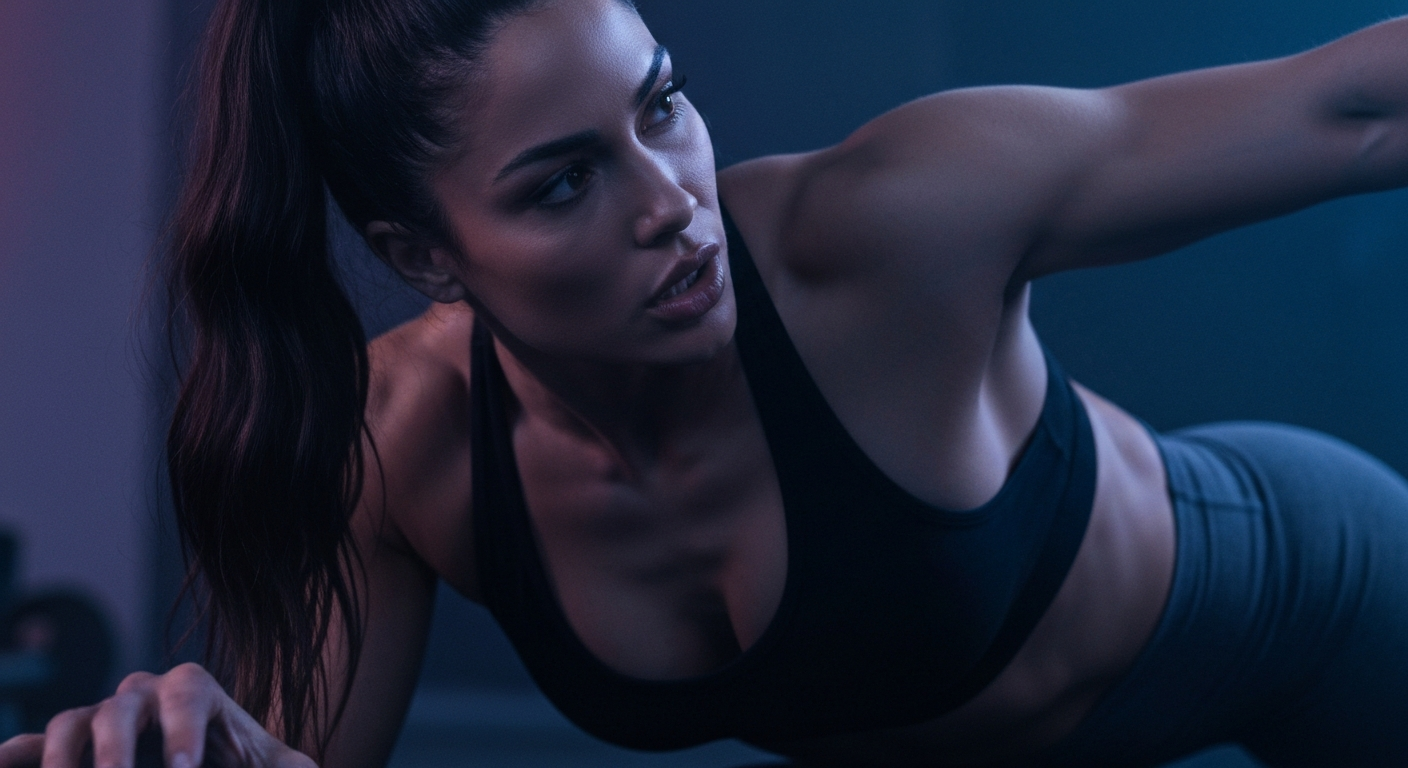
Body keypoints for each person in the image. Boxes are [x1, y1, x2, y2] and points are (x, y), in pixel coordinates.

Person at [7, 0, 1408, 766]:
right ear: (422, 255)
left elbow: (1353, 109)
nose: (672, 203)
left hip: (1311, 600)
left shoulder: (884, 227)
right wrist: (180, 752)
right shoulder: (402, 448)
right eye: (563, 181)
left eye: (661, 104)